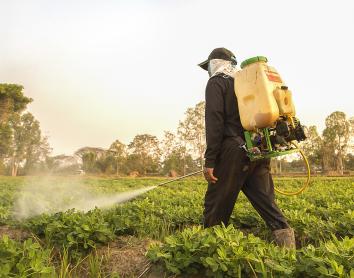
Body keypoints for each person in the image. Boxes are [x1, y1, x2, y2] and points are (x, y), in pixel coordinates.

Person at [198, 47, 296, 248]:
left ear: (215, 64)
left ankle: (207, 253)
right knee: (267, 203)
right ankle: (288, 250)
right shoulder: (247, 85)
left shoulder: (217, 83)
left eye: (208, 65)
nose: (208, 70)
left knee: (216, 204)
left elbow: (215, 122)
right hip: (257, 150)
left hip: (232, 152)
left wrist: (210, 161)